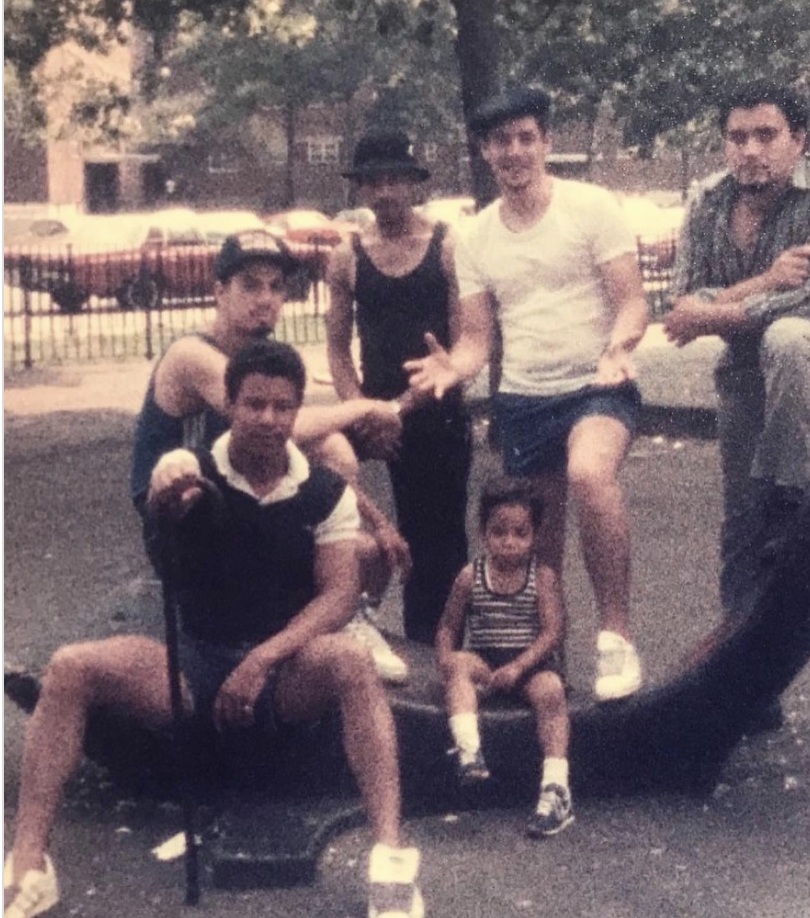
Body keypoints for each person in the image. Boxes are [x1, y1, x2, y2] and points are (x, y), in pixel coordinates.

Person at [3, 340, 424, 918]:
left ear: (298, 410)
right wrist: (169, 503)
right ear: (229, 404)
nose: (269, 420)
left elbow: (339, 595)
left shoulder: (324, 492)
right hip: (194, 663)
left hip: (282, 671)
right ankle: (29, 864)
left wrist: (262, 662)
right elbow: (164, 503)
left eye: (283, 407)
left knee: (351, 661)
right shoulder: (190, 467)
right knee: (71, 666)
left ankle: (391, 861)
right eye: (254, 405)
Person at [406, 86, 648, 699]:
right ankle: (548, 666)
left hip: (598, 385)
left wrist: (619, 348)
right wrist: (452, 368)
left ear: (546, 141)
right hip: (524, 400)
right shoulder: (473, 237)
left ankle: (616, 640)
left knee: (592, 475)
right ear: (485, 151)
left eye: (525, 138)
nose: (514, 151)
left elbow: (632, 303)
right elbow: (477, 340)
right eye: (500, 141)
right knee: (538, 552)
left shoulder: (592, 207)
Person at [130, 230, 411, 683]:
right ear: (218, 291)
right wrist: (363, 406)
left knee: (360, 520)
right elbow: (293, 429)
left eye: (276, 287)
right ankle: (330, 624)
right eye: (250, 285)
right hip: (182, 523)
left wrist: (379, 521)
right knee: (348, 545)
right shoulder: (191, 355)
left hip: (242, 506)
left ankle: (341, 621)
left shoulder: (264, 359)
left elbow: (295, 452)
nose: (266, 299)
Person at [664, 82, 810, 685]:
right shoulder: (707, 202)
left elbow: (800, 302)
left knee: (790, 339)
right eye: (737, 136)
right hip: (744, 382)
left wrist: (715, 311)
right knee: (742, 529)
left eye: (767, 135)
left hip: (805, 374)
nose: (751, 149)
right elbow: (679, 308)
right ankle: (742, 682)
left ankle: (790, 489)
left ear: (799, 142)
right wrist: (763, 284)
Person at [327, 129, 472, 645]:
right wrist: (361, 411)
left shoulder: (447, 245)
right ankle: (357, 623)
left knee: (441, 537)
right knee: (332, 495)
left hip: (434, 407)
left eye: (396, 180)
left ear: (414, 184)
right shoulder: (347, 256)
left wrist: (400, 408)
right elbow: (338, 350)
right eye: (374, 182)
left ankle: (445, 646)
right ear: (361, 189)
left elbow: (463, 346)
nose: (385, 192)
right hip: (371, 414)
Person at [435, 477, 572, 837]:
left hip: (529, 663)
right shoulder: (470, 576)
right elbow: (449, 626)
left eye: (520, 533)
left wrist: (520, 665)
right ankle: (469, 750)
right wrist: (447, 660)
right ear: (483, 531)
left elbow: (553, 632)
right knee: (459, 666)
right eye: (499, 532)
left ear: (535, 535)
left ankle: (555, 788)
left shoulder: (541, 577)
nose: (509, 542)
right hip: (485, 660)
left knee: (552, 692)